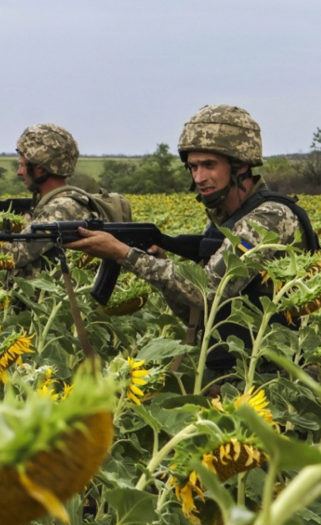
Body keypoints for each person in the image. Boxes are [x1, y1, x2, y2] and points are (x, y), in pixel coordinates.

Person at [64, 105, 305, 376]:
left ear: (240, 166)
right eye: (193, 167)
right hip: (230, 371)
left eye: (209, 165)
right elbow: (198, 314)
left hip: (274, 383)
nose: (199, 177)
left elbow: (209, 292)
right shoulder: (223, 222)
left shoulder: (269, 217)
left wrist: (124, 254)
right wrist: (159, 264)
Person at [0, 124, 104, 277]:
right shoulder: (50, 203)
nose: (19, 172)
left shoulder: (63, 208)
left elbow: (15, 255)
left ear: (40, 169)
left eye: (22, 165)